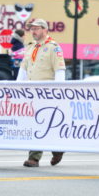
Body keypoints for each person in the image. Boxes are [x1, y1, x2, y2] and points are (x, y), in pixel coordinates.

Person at [17, 18, 66, 167]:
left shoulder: (53, 48)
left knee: (46, 123)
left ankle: (50, 152)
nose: (33, 31)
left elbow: (59, 70)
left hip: (47, 92)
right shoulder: (31, 47)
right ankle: (41, 155)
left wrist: (58, 91)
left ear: (45, 30)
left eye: (36, 29)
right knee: (35, 123)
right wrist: (17, 88)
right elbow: (23, 69)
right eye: (32, 29)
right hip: (32, 93)